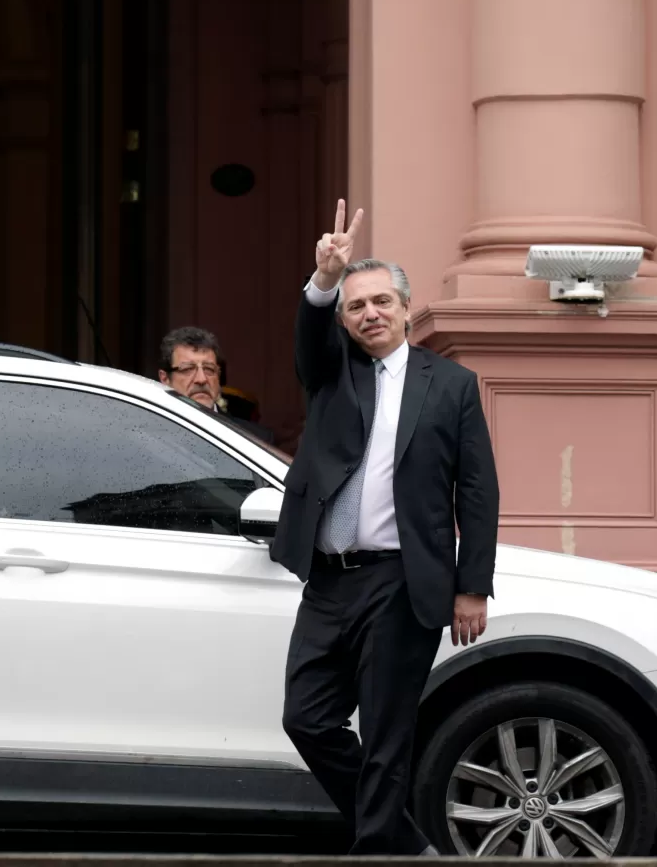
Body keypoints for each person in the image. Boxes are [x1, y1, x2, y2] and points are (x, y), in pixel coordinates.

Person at [269, 199, 499, 855]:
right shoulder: (332, 372)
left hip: (404, 580)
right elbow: (308, 340)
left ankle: (378, 850)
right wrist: (323, 278)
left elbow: (478, 490)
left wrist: (472, 586)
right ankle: (405, 841)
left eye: (379, 301)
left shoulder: (452, 385)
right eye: (354, 304)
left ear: (405, 307)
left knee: (386, 733)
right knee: (306, 718)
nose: (368, 312)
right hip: (330, 580)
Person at [157, 326, 275, 443]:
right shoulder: (148, 434)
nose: (201, 379)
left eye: (209, 369)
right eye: (188, 369)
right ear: (165, 379)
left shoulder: (255, 439)